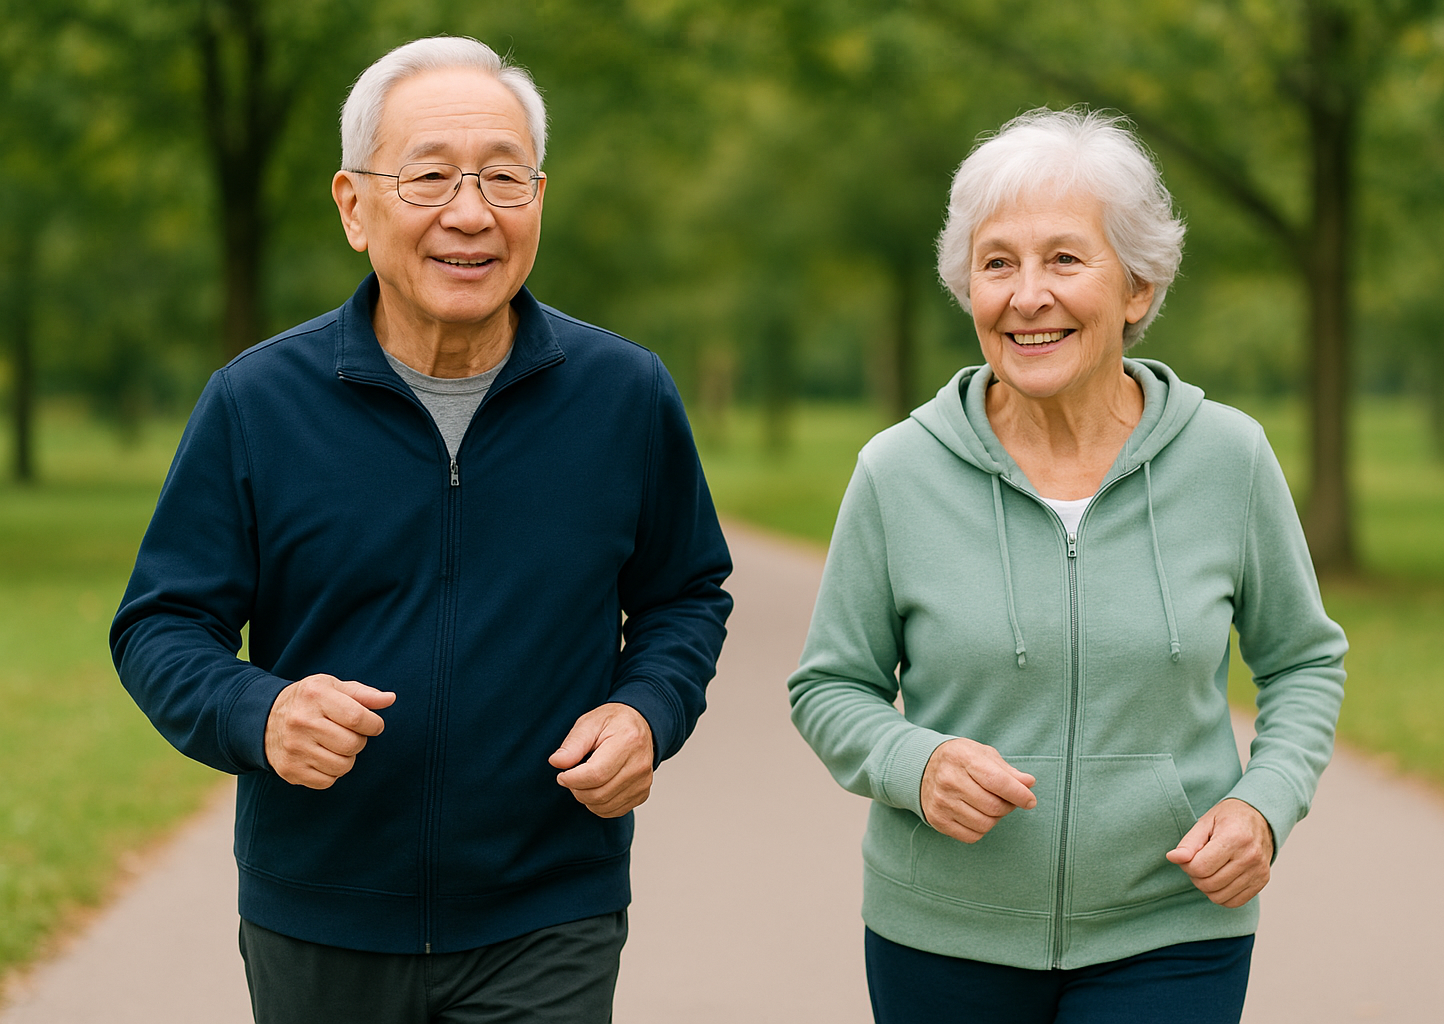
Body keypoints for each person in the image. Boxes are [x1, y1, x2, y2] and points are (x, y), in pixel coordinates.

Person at [110, 36, 732, 1024]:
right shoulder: (255, 403)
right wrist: (254, 710)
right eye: (432, 176)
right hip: (318, 914)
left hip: (549, 908)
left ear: (539, 199)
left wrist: (648, 710)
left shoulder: (626, 395)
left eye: (503, 177)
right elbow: (160, 622)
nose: (471, 213)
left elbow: (684, 593)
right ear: (355, 206)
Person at [787, 108, 1346, 1023]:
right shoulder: (898, 471)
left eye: (1064, 259)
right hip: (941, 935)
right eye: (996, 263)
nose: (1026, 295)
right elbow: (830, 686)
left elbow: (1303, 660)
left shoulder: (1228, 459)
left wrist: (1265, 806)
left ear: (1137, 287)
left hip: (1174, 930)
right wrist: (910, 761)